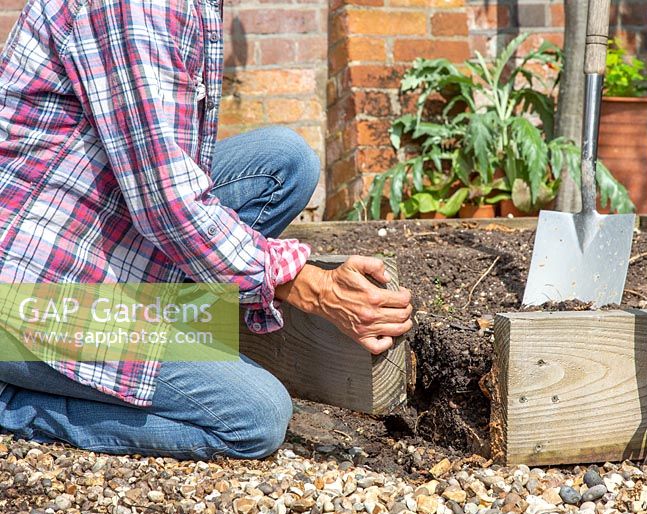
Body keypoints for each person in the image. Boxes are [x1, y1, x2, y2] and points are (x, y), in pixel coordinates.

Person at [0, 1, 412, 459]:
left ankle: (159, 332)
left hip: (86, 234)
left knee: (284, 163)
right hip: (26, 291)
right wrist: (304, 283)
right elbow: (167, 203)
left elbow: (168, 174)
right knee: (255, 417)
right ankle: (14, 402)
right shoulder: (137, 7)